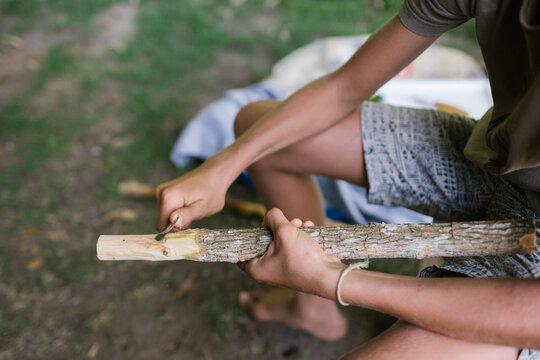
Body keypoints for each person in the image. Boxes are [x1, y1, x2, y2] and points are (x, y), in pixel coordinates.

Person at [156, 0, 540, 357]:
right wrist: (220, 168)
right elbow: (345, 87)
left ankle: (321, 295)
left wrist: (335, 280)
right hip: (496, 158)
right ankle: (314, 313)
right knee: (260, 129)